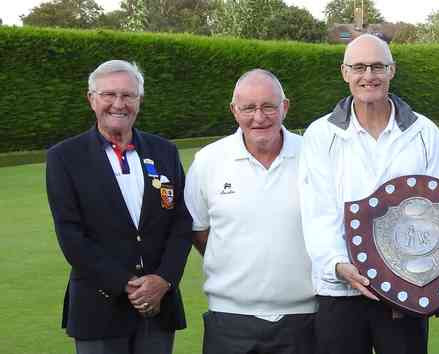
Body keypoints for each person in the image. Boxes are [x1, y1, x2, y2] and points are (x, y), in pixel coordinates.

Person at [298, 33, 439, 354]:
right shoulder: (320, 135)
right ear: (344, 72)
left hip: (405, 289)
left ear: (392, 70)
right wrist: (339, 264)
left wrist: (428, 271)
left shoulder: (424, 132)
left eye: (377, 67)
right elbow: (317, 212)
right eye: (358, 67)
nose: (368, 76)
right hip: (340, 290)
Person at [45, 60, 193, 354]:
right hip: (98, 309)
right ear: (91, 99)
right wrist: (128, 284)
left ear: (139, 100)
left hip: (158, 307)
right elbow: (71, 235)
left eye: (128, 95)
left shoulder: (164, 151)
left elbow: (181, 222)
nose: (118, 104)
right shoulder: (65, 157)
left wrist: (163, 280)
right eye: (108, 95)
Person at [184, 69, 316, 354]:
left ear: (285, 107)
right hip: (229, 321)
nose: (259, 117)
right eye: (249, 108)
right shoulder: (208, 161)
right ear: (234, 110)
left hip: (306, 320)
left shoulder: (315, 156)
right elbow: (198, 229)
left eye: (269, 106)